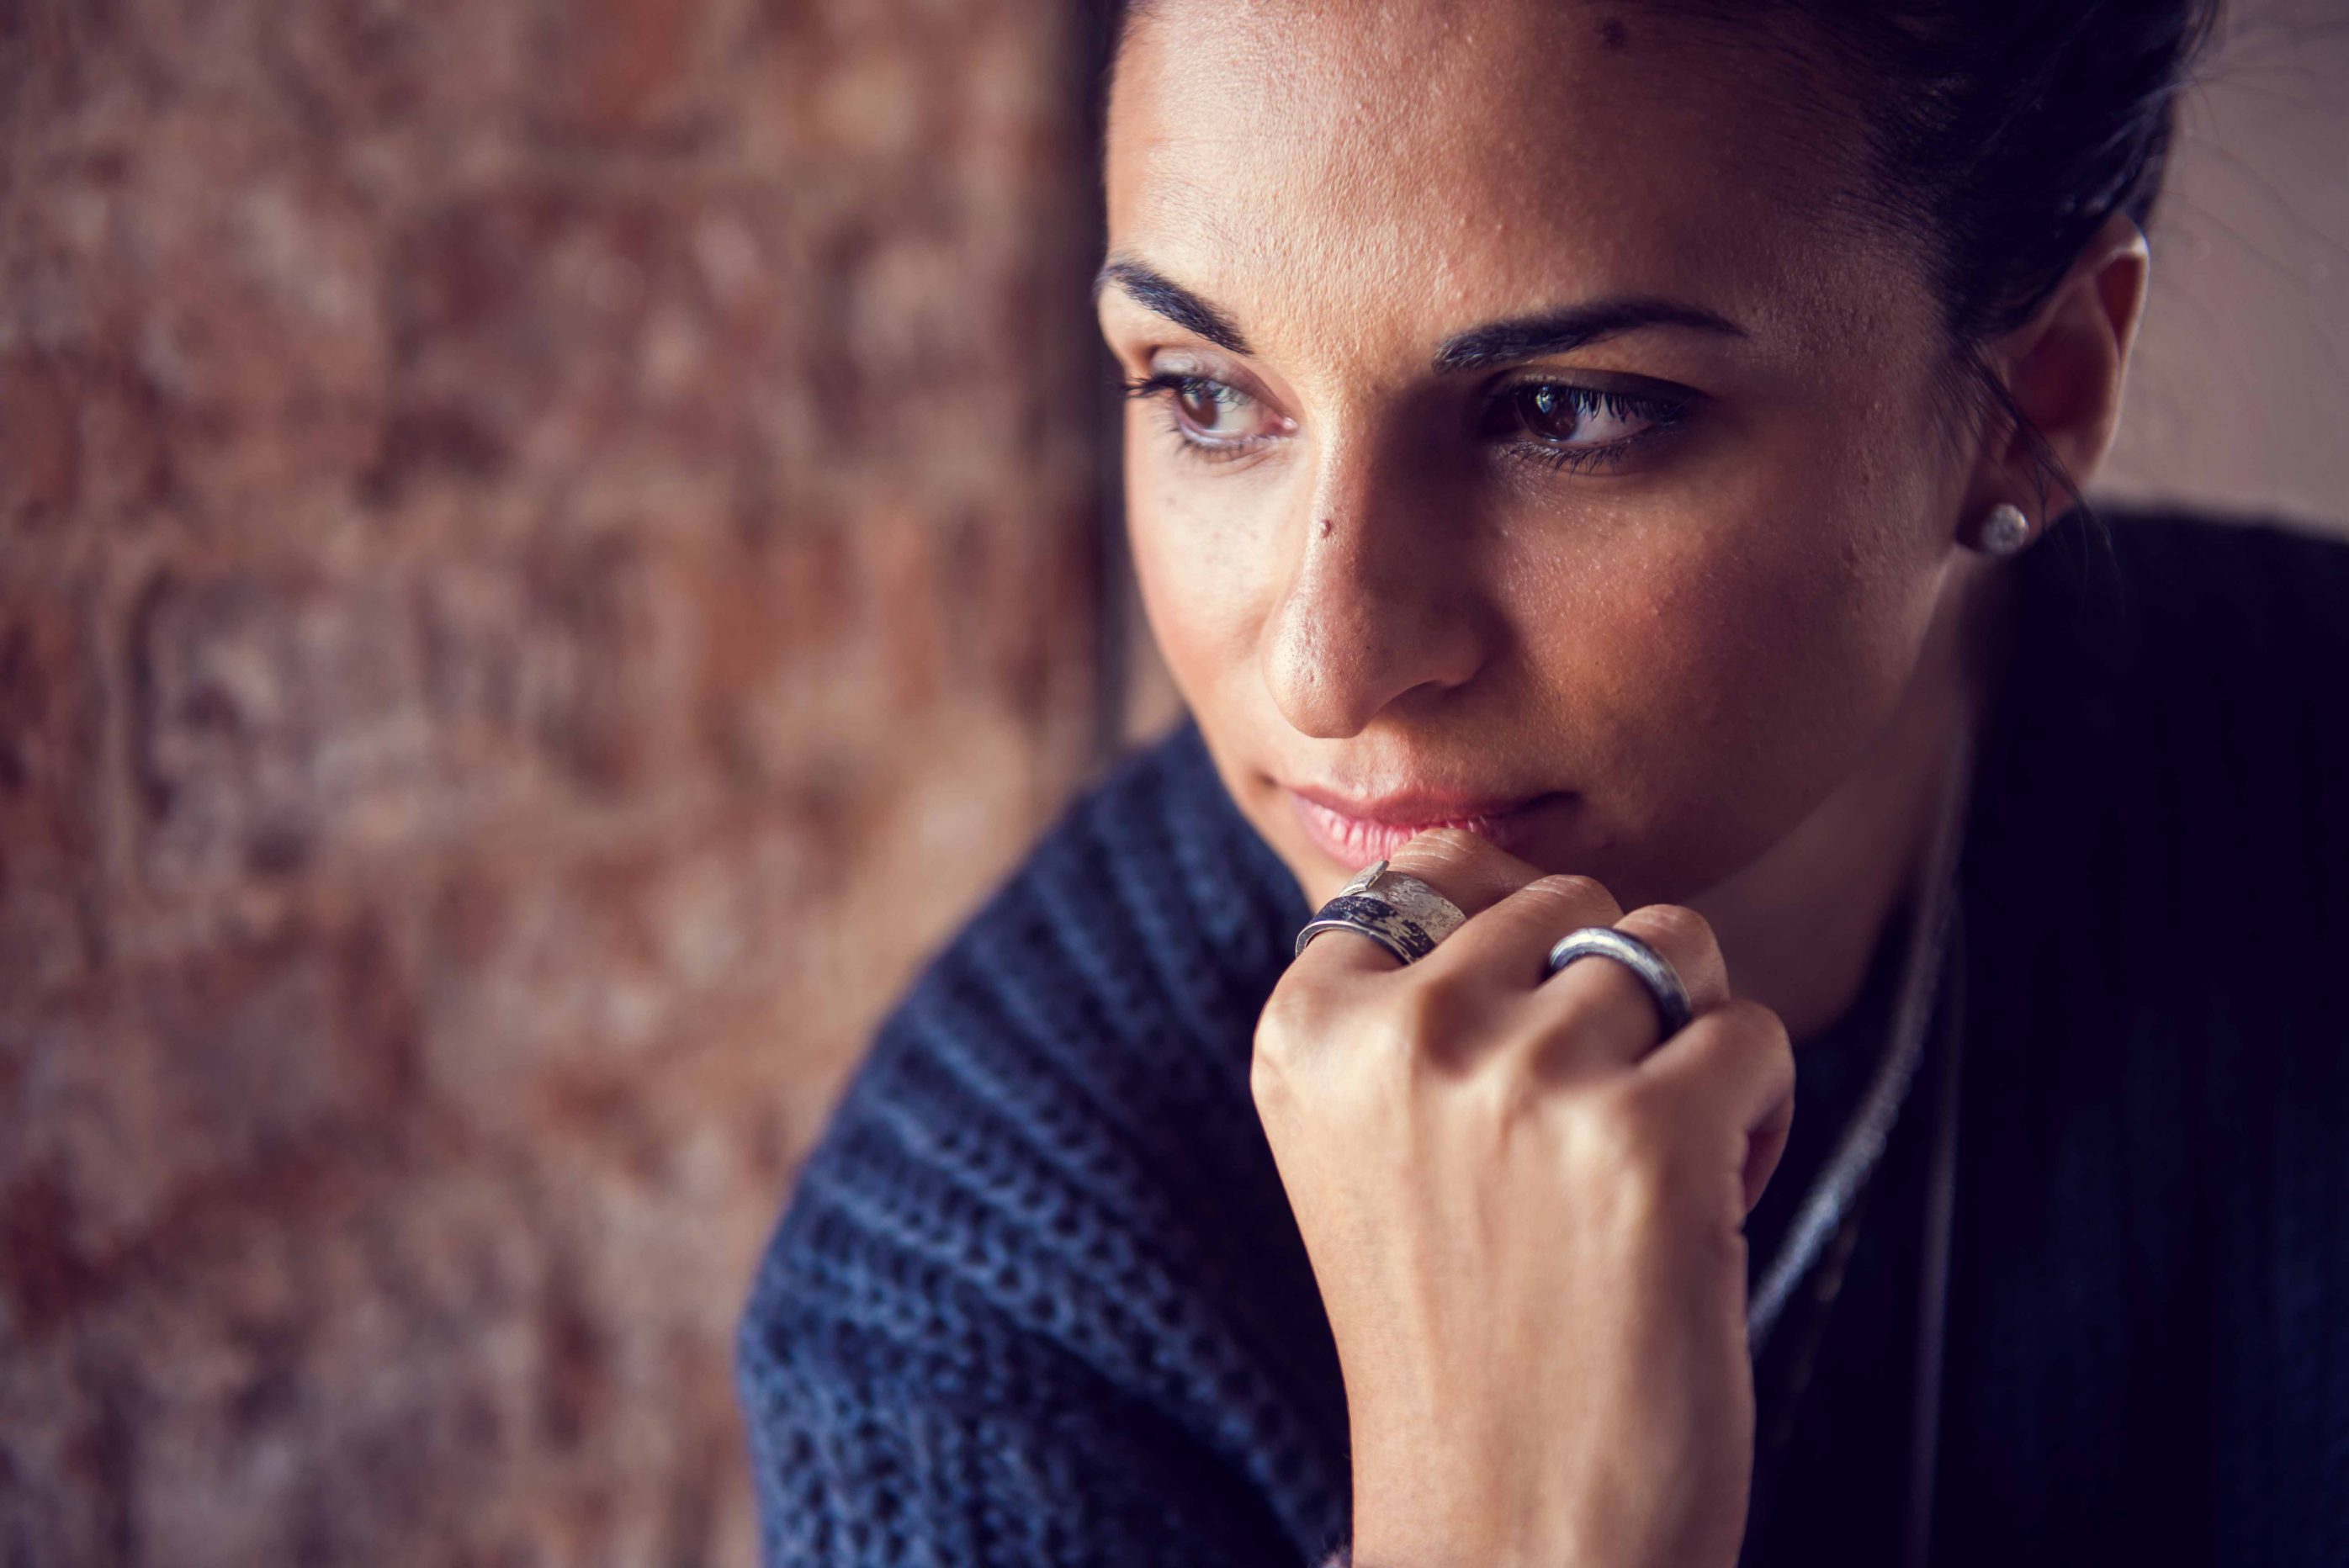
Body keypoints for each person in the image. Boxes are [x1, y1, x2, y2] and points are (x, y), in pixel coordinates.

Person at [736, 0, 2349, 1563]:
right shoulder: (982, 1317)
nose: (1325, 666)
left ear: (2038, 399)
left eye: (1565, 413)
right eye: (1208, 395)